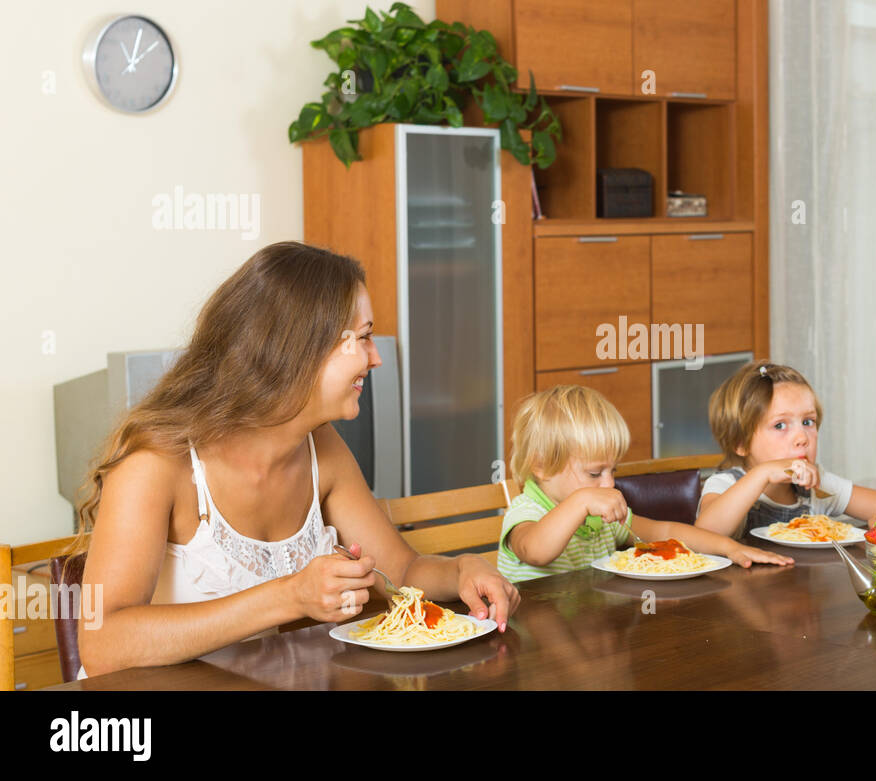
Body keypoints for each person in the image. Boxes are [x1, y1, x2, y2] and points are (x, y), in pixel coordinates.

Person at [74, 242, 519, 676]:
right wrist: (288, 596)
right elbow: (102, 644)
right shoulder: (156, 464)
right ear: (298, 349)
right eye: (363, 338)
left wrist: (463, 568)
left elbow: (400, 571)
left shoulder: (321, 449)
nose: (377, 357)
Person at [496, 385, 793, 582]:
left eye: (612, 470)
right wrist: (580, 502)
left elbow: (663, 532)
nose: (610, 482)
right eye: (594, 473)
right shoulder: (527, 511)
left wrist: (728, 548)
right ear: (542, 465)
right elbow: (535, 550)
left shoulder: (603, 517)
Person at [694, 361, 876, 538]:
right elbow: (705, 534)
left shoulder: (817, 488)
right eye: (780, 425)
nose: (802, 438)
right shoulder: (725, 484)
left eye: (808, 422)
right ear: (740, 443)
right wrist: (763, 473)